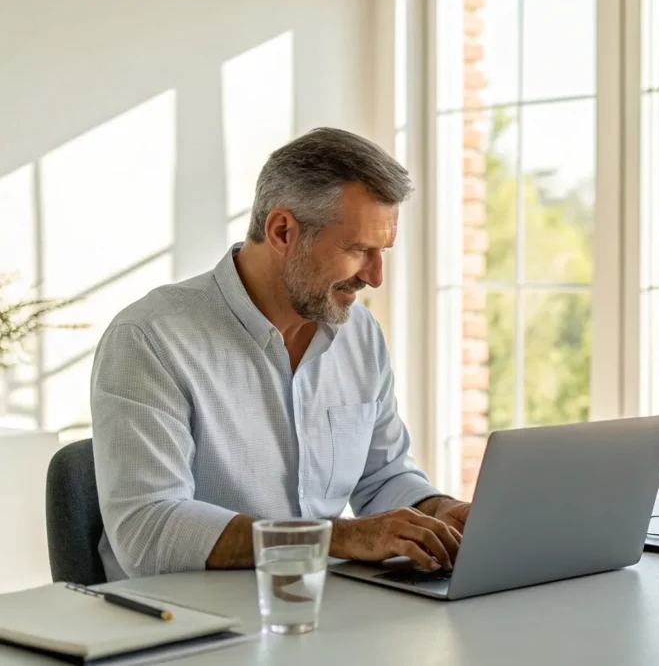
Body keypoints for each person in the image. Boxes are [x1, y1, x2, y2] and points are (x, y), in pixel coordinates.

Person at [91, 128, 470, 581]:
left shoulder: (359, 333)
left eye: (382, 251)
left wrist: (440, 511)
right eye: (357, 250)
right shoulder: (150, 339)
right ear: (282, 230)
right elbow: (148, 531)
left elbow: (383, 478)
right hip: (188, 629)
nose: (375, 277)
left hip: (322, 609)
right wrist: (336, 537)